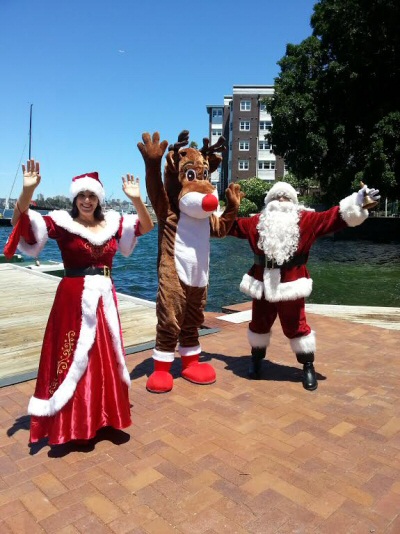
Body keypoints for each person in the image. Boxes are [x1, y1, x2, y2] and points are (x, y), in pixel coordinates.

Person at [11, 159, 154, 446]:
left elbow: (146, 226)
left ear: (98, 199)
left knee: (105, 355)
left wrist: (137, 199)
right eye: (81, 196)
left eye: (91, 196)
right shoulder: (62, 223)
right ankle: (73, 422)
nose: (86, 201)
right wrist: (27, 192)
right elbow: (21, 224)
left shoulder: (113, 223)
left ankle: (102, 417)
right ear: (74, 198)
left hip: (104, 297)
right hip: (73, 298)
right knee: (71, 355)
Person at [228, 181, 380, 391]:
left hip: (292, 284)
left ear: (294, 202)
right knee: (258, 324)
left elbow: (334, 217)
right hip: (262, 284)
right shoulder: (256, 222)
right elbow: (227, 226)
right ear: (269, 202)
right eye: (277, 197)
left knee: (297, 325)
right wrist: (204, 212)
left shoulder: (307, 220)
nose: (281, 200)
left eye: (286, 197)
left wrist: (359, 201)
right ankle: (256, 360)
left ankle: (307, 365)